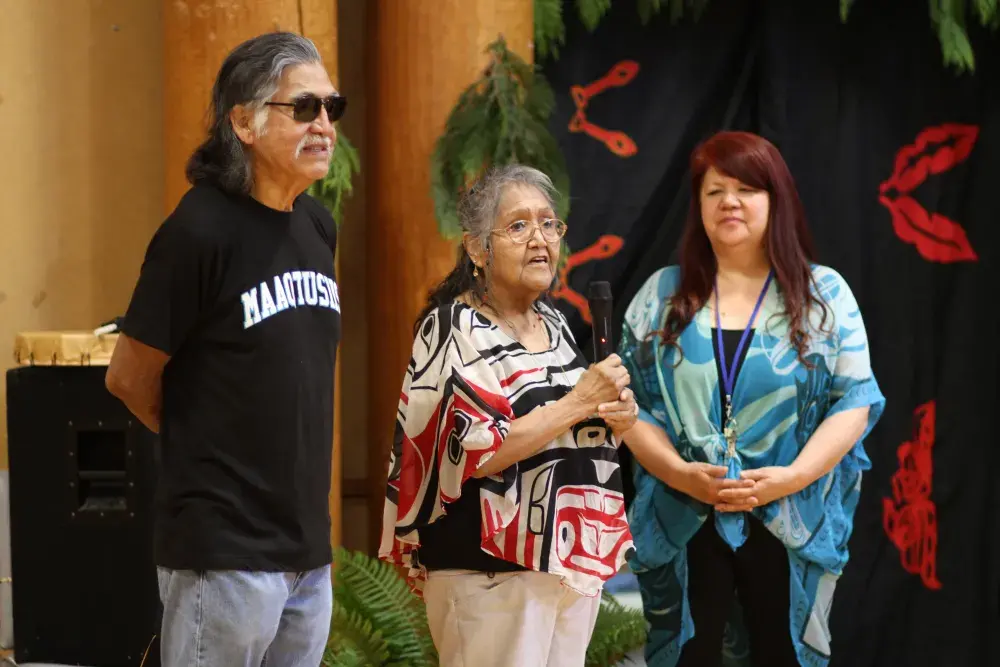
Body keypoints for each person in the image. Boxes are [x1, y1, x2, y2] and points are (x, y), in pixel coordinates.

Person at [105, 32, 345, 667]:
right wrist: (205, 446)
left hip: (306, 554)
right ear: (243, 120)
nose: (324, 124)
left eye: (331, 108)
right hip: (223, 551)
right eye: (304, 108)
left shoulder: (319, 227)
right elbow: (129, 377)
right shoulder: (198, 231)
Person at [617, 131, 886, 667]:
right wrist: (678, 471)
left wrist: (793, 476)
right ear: (698, 206)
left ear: (775, 200)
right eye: (715, 191)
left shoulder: (822, 295)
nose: (730, 202)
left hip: (788, 514)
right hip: (684, 513)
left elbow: (854, 401)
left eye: (746, 189)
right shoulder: (661, 297)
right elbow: (627, 406)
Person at [379, 164, 638, 667]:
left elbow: (567, 436)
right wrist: (580, 402)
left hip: (565, 563)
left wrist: (614, 421)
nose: (539, 238)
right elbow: (478, 452)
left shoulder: (555, 323)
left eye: (549, 224)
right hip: (488, 572)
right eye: (518, 225)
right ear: (478, 248)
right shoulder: (452, 328)